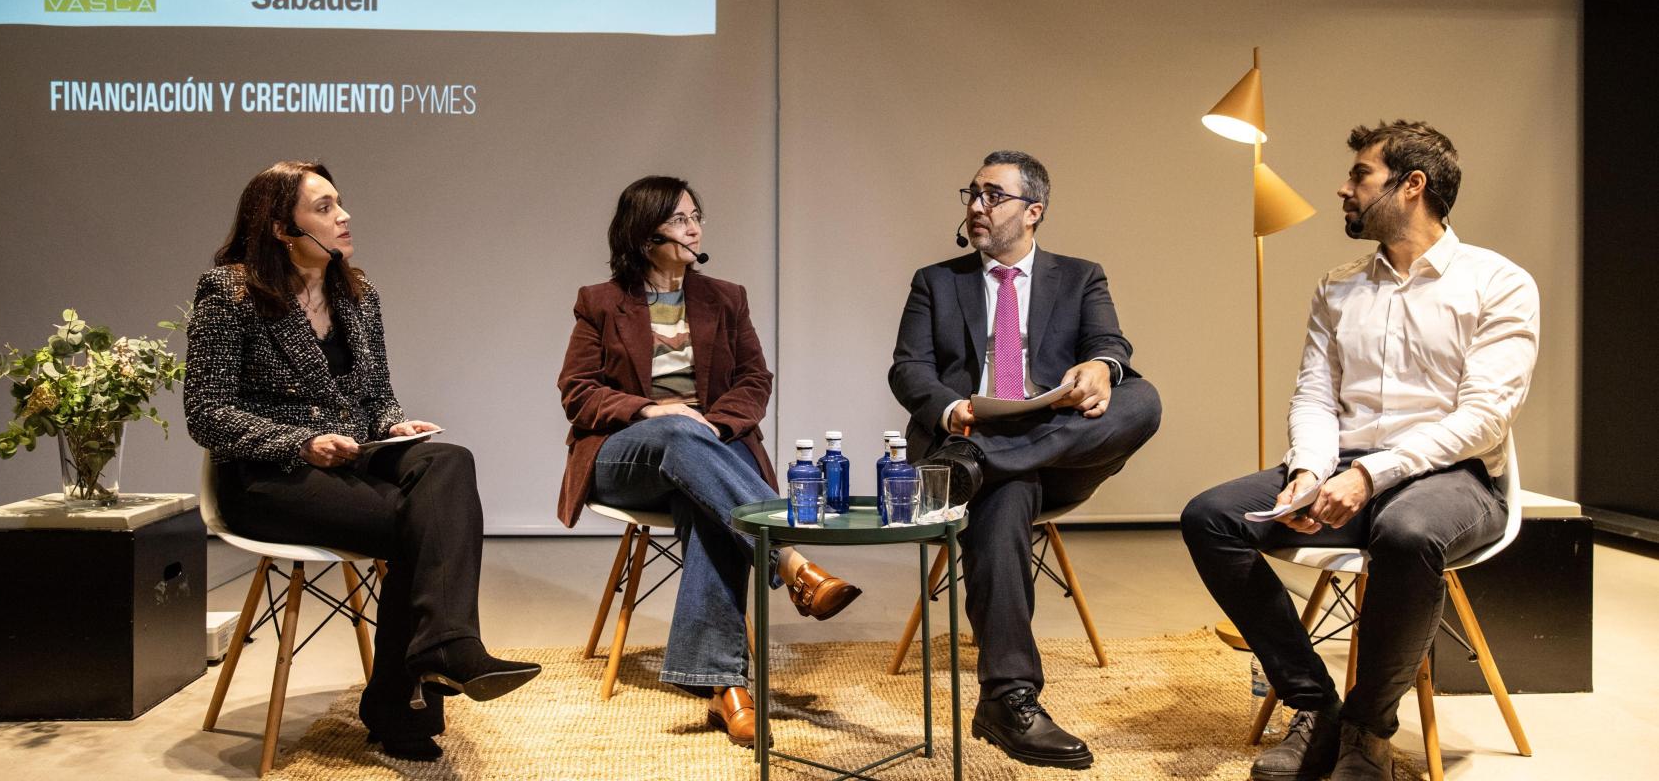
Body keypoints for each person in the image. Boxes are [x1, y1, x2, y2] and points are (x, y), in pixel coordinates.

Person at [1181, 121, 1539, 781]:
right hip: (1347, 467)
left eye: (1360, 176)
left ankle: (1368, 731)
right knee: (1210, 517)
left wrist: (1370, 475)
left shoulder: (1499, 283)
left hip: (1456, 479)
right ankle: (1315, 706)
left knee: (1407, 533)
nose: (1342, 188)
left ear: (1411, 186)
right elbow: (1316, 395)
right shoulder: (1339, 285)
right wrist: (1310, 470)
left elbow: (1484, 418)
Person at [184, 161, 538, 763]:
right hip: (268, 475)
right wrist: (299, 443)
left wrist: (394, 426)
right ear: (279, 227)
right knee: (417, 530)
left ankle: (442, 651)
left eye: (340, 202)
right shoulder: (231, 292)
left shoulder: (359, 292)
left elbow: (374, 396)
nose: (343, 216)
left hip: (353, 460)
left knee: (448, 461)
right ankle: (407, 691)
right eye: (323, 208)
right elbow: (207, 412)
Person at [557, 175, 861, 748]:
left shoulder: (725, 297)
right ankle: (790, 561)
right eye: (678, 219)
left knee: (709, 508)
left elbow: (754, 380)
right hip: (625, 458)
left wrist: (714, 426)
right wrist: (653, 410)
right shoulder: (600, 301)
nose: (694, 227)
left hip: (708, 457)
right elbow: (578, 392)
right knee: (676, 431)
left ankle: (725, 689)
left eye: (697, 215)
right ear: (644, 233)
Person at [889, 150, 1163, 770]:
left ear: (1033, 211)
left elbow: (1109, 344)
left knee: (1142, 397)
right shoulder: (938, 281)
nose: (975, 206)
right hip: (972, 430)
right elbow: (909, 370)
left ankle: (983, 458)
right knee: (1005, 496)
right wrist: (954, 411)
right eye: (972, 194)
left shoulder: (1080, 275)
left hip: (1050, 444)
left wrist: (1100, 368)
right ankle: (1008, 697)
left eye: (992, 196)